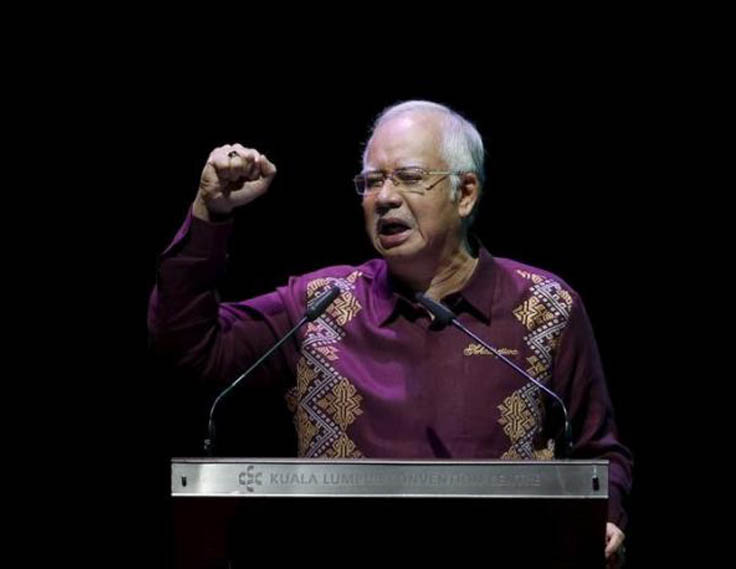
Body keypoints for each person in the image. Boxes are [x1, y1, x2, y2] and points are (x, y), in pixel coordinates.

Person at [148, 100, 632, 562]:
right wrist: (210, 215)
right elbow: (188, 343)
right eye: (372, 181)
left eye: (409, 178)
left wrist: (608, 519)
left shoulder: (545, 306)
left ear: (464, 193)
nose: (384, 198)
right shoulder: (321, 305)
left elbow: (597, 452)